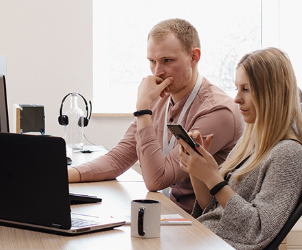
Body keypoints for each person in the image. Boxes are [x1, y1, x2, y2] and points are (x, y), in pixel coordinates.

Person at [177, 47, 302, 250]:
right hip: (205, 248)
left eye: (246, 89)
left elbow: (257, 230)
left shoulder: (290, 156)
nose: (236, 98)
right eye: (237, 88)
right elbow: (212, 208)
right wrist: (198, 170)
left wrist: (215, 179)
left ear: (272, 93)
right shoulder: (252, 141)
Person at [69, 19, 243, 213]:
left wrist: (143, 109)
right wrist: (62, 176)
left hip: (201, 225)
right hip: (170, 214)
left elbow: (156, 180)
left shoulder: (217, 111)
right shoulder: (160, 98)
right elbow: (118, 158)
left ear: (194, 57)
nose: (157, 72)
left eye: (167, 61)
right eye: (152, 61)